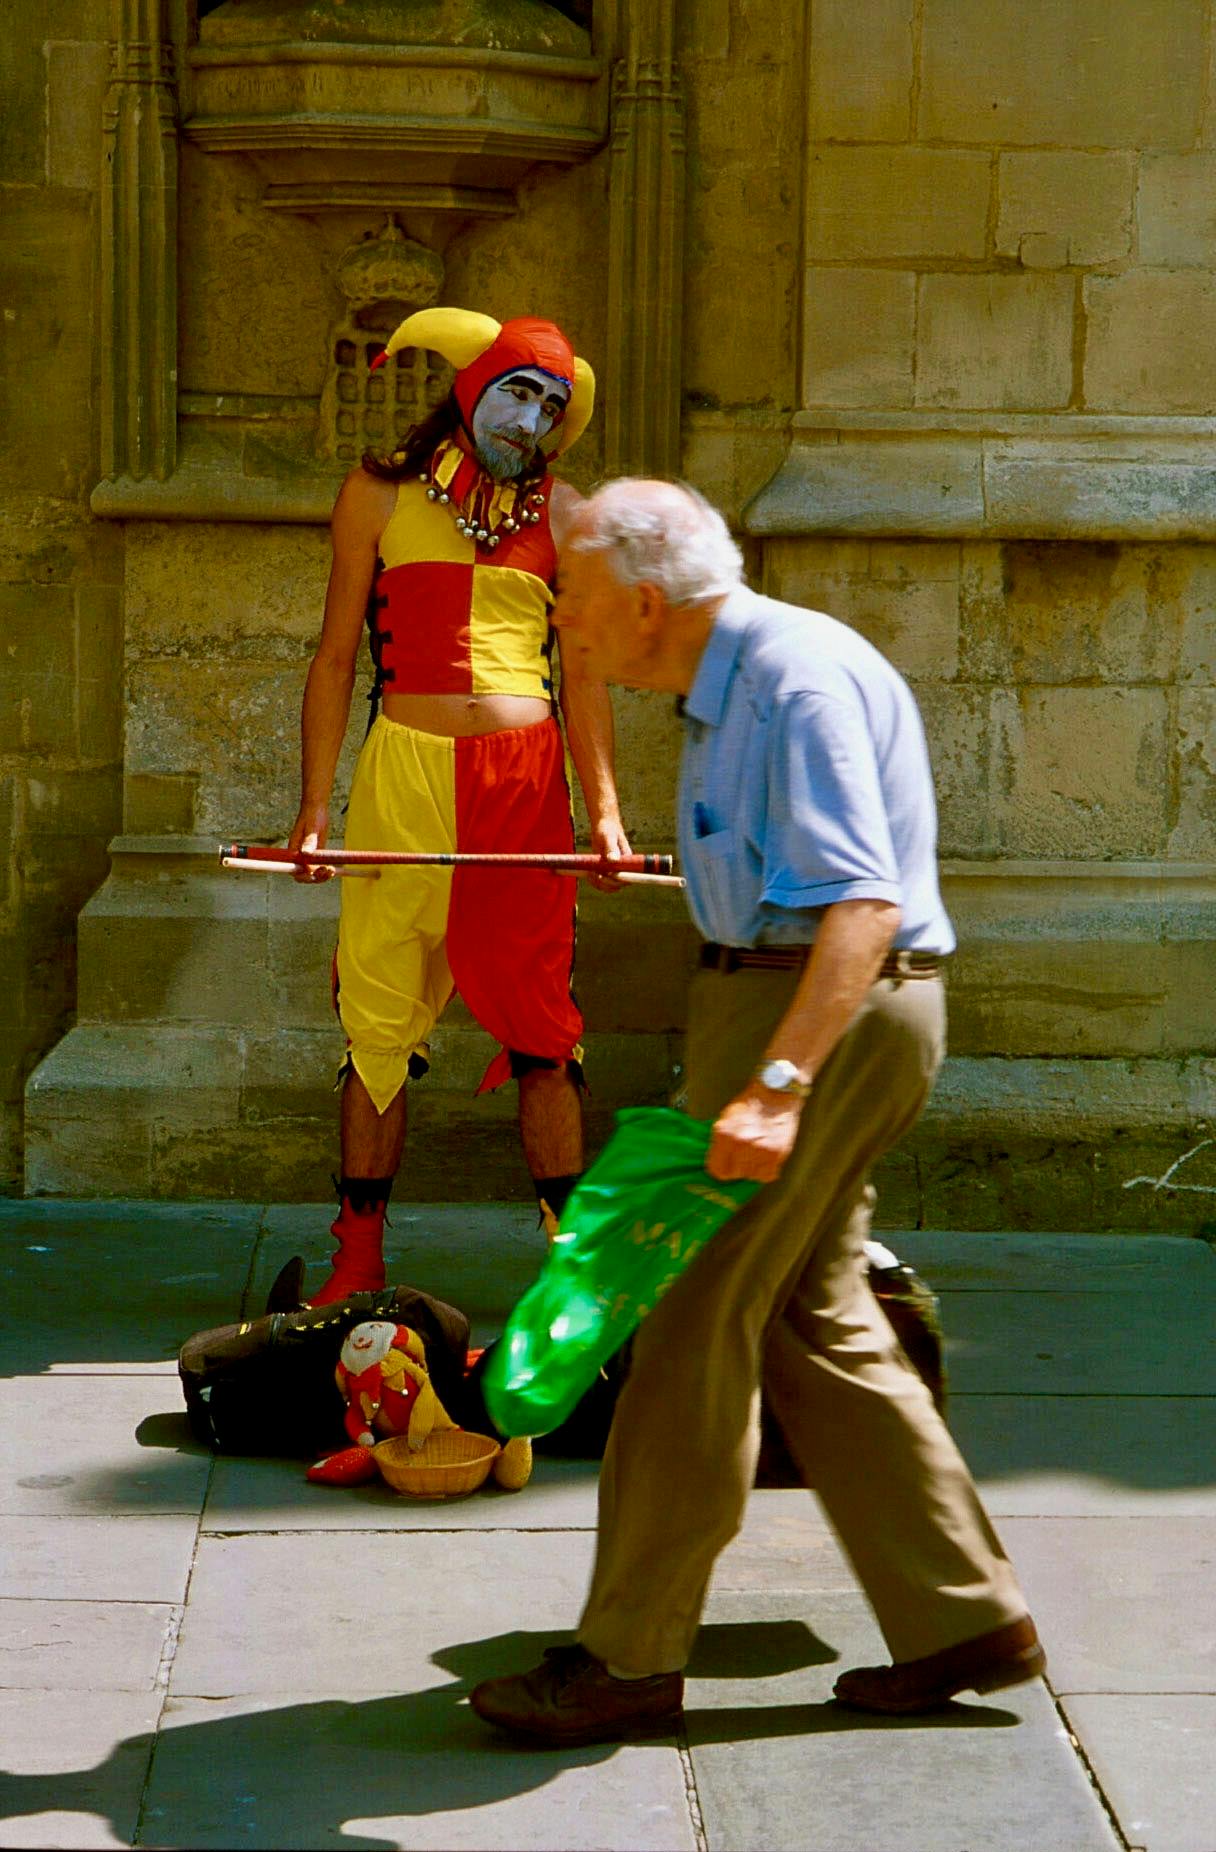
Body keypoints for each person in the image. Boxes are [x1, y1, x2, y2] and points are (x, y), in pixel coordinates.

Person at [470, 479, 1045, 1742]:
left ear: (643, 599)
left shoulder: (789, 680)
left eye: (573, 595)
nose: (563, 619)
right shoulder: (731, 685)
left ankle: (627, 1656)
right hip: (792, 1003)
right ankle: (963, 1616)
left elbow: (862, 904)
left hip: (817, 1014)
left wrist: (777, 1086)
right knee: (812, 1312)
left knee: (689, 1312)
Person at [287, 308, 630, 1307]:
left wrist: (607, 813)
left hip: (523, 786)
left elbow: (587, 675)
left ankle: (570, 1278)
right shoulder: (378, 493)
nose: (533, 421)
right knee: (377, 1021)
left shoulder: (567, 515)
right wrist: (313, 810)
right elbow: (335, 659)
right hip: (404, 775)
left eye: (553, 407)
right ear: (472, 388)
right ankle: (356, 1263)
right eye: (519, 393)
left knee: (544, 1030)